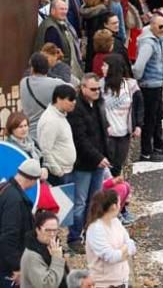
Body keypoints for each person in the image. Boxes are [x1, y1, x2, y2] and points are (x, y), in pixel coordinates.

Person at [66, 75, 110, 253]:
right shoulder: (77, 109)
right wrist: (99, 157)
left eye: (98, 89)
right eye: (93, 89)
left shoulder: (98, 103)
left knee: (94, 200)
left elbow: (102, 131)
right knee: (80, 202)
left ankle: (90, 233)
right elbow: (80, 139)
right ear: (83, 88)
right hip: (84, 164)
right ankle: (74, 237)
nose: (97, 92)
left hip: (98, 160)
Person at [0, 159, 42, 288]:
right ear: (32, 180)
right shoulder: (15, 200)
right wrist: (17, 267)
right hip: (6, 268)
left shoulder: (4, 188)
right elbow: (9, 236)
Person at [134, 16, 163, 162]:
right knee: (150, 118)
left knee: (157, 115)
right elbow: (139, 66)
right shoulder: (148, 44)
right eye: (161, 27)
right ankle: (146, 151)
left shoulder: (155, 38)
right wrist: (139, 79)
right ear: (152, 25)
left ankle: (158, 144)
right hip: (149, 85)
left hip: (156, 83)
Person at [84, 190, 136, 285]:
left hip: (123, 280)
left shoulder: (115, 222)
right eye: (119, 203)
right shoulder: (96, 229)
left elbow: (132, 246)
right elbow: (111, 257)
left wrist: (122, 251)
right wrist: (124, 249)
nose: (120, 206)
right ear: (113, 206)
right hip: (105, 284)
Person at [37, 85, 77, 187]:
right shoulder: (50, 119)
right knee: (61, 202)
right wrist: (58, 171)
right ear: (59, 99)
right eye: (71, 99)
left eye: (75, 99)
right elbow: (45, 150)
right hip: (58, 174)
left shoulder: (60, 115)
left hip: (66, 170)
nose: (74, 102)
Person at [18, 210, 67, 288]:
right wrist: (57, 259)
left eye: (55, 230)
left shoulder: (53, 248)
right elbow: (47, 285)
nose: (52, 234)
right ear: (38, 230)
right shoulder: (32, 255)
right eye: (47, 230)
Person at [20, 53, 62, 139]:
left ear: (32, 68)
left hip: (29, 133)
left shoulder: (24, 82)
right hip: (49, 132)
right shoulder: (56, 84)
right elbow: (72, 87)